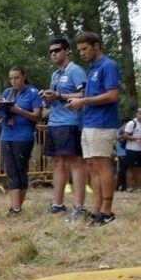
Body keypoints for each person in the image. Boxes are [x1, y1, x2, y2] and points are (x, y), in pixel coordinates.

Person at [66, 31, 120, 225]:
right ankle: (96, 208)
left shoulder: (108, 65)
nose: (82, 53)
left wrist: (85, 101)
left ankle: (107, 211)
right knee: (92, 166)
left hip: (103, 123)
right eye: (79, 50)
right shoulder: (92, 68)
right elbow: (91, 95)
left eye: (85, 49)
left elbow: (113, 95)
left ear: (96, 46)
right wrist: (75, 100)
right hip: (89, 123)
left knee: (102, 165)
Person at [39, 38, 88, 221]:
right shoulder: (55, 74)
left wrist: (59, 95)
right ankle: (58, 204)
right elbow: (56, 98)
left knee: (75, 162)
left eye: (57, 50)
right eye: (51, 51)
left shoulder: (75, 70)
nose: (53, 54)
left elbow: (84, 95)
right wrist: (47, 98)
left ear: (67, 51)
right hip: (54, 122)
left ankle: (79, 207)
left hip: (71, 122)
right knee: (58, 163)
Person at [0, 66, 43, 214]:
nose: (14, 81)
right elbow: (0, 113)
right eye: (11, 78)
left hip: (23, 136)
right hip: (6, 135)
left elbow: (37, 116)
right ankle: (15, 208)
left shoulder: (33, 92)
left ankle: (17, 207)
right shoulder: (7, 92)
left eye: (16, 77)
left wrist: (19, 111)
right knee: (10, 170)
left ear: (23, 77)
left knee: (20, 170)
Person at [123, 108, 141, 192]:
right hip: (131, 149)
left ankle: (138, 188)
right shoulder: (132, 123)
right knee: (131, 168)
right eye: (140, 113)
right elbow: (125, 136)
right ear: (136, 114)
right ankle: (129, 187)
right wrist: (137, 138)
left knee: (140, 169)